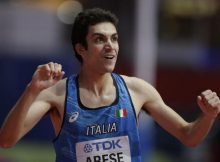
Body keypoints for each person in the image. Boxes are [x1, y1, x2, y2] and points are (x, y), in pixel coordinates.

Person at [0, 8, 220, 162]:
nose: (110, 46)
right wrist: (31, 91)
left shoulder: (137, 90)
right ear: (80, 49)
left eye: (114, 39)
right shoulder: (57, 95)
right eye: (99, 39)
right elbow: (7, 141)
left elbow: (189, 136)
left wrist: (208, 116)